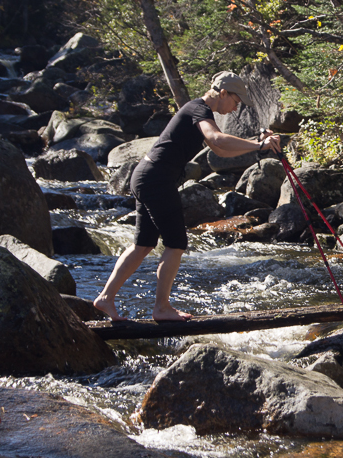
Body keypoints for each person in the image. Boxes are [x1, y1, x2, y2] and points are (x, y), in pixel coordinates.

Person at [94, 71, 281, 321]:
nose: (236, 108)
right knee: (176, 243)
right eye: (236, 101)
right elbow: (217, 138)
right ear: (222, 93)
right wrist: (260, 146)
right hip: (156, 179)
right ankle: (161, 308)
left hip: (146, 176)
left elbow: (219, 150)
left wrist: (256, 142)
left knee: (143, 244)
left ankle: (105, 298)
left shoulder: (200, 113)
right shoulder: (198, 109)